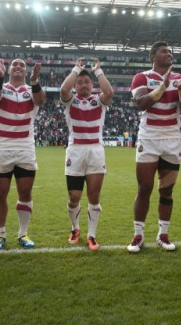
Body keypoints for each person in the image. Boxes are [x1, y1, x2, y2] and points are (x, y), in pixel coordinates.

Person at [127, 41, 181, 253]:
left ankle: (163, 234)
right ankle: (138, 235)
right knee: (144, 188)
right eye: (164, 51)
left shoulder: (179, 79)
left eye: (171, 52)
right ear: (153, 55)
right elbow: (141, 103)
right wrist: (162, 87)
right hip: (149, 139)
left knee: (167, 190)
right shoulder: (142, 77)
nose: (169, 54)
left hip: (172, 140)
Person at [0, 55, 45, 250]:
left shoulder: (31, 90)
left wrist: (35, 81)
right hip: (2, 147)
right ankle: (0, 235)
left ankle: (23, 234)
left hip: (25, 148)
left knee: (25, 192)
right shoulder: (1, 88)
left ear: (27, 71)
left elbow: (41, 100)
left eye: (22, 65)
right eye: (15, 64)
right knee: (0, 193)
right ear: (9, 70)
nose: (18, 67)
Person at [60, 57, 113, 251]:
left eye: (87, 82)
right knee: (74, 196)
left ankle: (92, 235)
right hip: (75, 150)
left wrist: (98, 72)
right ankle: (75, 229)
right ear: (76, 85)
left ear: (92, 84)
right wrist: (76, 69)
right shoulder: (70, 101)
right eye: (80, 83)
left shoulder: (98, 101)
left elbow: (109, 92)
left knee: (94, 196)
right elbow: (63, 90)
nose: (83, 85)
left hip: (95, 151)